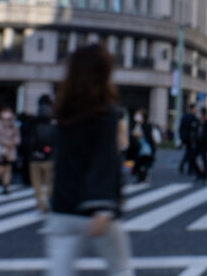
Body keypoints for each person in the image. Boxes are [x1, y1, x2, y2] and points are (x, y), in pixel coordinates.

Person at [46, 44, 133, 276]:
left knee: (59, 271)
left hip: (62, 206)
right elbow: (104, 160)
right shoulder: (105, 113)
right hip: (94, 208)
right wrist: (103, 207)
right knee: (120, 269)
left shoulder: (64, 112)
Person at [28, 95, 57, 213]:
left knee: (37, 184)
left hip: (34, 156)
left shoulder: (32, 121)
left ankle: (40, 204)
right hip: (51, 156)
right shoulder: (54, 121)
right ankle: (49, 202)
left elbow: (27, 140)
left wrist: (34, 151)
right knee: (50, 182)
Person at [0, 108, 20, 194]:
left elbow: (17, 135)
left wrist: (14, 142)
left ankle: (6, 186)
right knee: (0, 169)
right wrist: (6, 143)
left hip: (11, 149)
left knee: (8, 168)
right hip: (0, 149)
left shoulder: (14, 123)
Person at [127, 109, 160, 184]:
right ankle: (141, 176)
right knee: (138, 163)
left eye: (139, 114)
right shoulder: (135, 125)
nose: (137, 116)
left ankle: (143, 176)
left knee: (143, 162)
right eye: (136, 114)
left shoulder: (147, 125)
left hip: (145, 147)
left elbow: (150, 136)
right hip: (136, 147)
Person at [192, 106, 207, 183]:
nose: (200, 115)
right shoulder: (197, 122)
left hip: (205, 144)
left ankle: (205, 176)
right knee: (193, 159)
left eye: (201, 113)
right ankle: (199, 174)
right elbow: (194, 131)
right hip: (197, 143)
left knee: (205, 161)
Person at [178, 103, 200, 175]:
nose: (196, 110)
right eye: (195, 109)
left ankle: (184, 165)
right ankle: (190, 168)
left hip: (185, 138)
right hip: (191, 138)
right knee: (191, 153)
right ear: (192, 109)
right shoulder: (192, 117)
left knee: (188, 153)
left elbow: (181, 128)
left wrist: (181, 137)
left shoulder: (184, 116)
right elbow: (196, 128)